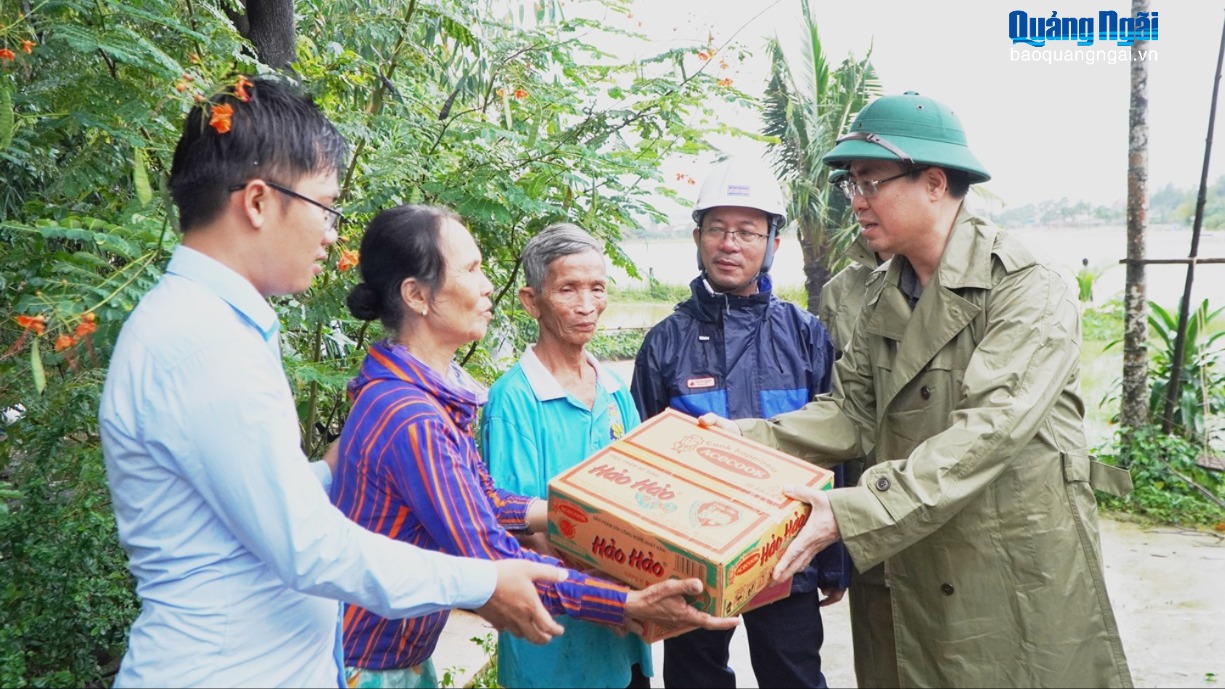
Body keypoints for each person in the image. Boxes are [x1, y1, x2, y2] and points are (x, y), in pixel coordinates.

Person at [98, 76, 571, 688]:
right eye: (325, 206)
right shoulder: (202, 344)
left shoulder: (214, 327)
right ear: (260, 202)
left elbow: (244, 510)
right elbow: (309, 549)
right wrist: (481, 580)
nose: (331, 233)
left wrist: (329, 470)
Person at [701, 91, 1135, 687]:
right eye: (850, 184)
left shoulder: (1028, 286)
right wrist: (741, 442)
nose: (856, 200)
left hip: (1001, 561)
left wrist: (854, 511)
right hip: (908, 558)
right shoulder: (879, 292)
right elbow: (850, 412)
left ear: (934, 183)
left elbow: (989, 432)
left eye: (871, 181)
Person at [331, 206, 737, 688]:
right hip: (370, 664)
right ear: (417, 296)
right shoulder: (413, 417)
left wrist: (592, 510)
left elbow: (488, 501)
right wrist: (624, 602)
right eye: (471, 270)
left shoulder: (430, 400)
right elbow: (490, 552)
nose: (486, 287)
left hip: (395, 654)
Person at [631, 158, 851, 688]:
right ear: (697, 236)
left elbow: (840, 442)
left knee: (793, 674)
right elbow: (638, 458)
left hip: (788, 556)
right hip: (691, 562)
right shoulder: (664, 341)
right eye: (718, 229)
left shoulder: (806, 335)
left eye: (748, 232)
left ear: (773, 242)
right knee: (695, 679)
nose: (730, 244)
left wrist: (837, 557)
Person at [480, 223, 654, 689]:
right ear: (531, 300)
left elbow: (645, 497)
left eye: (597, 288)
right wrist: (605, 597)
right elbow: (516, 526)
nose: (586, 305)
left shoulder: (615, 390)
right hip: (555, 646)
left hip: (624, 639)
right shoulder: (514, 400)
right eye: (567, 289)